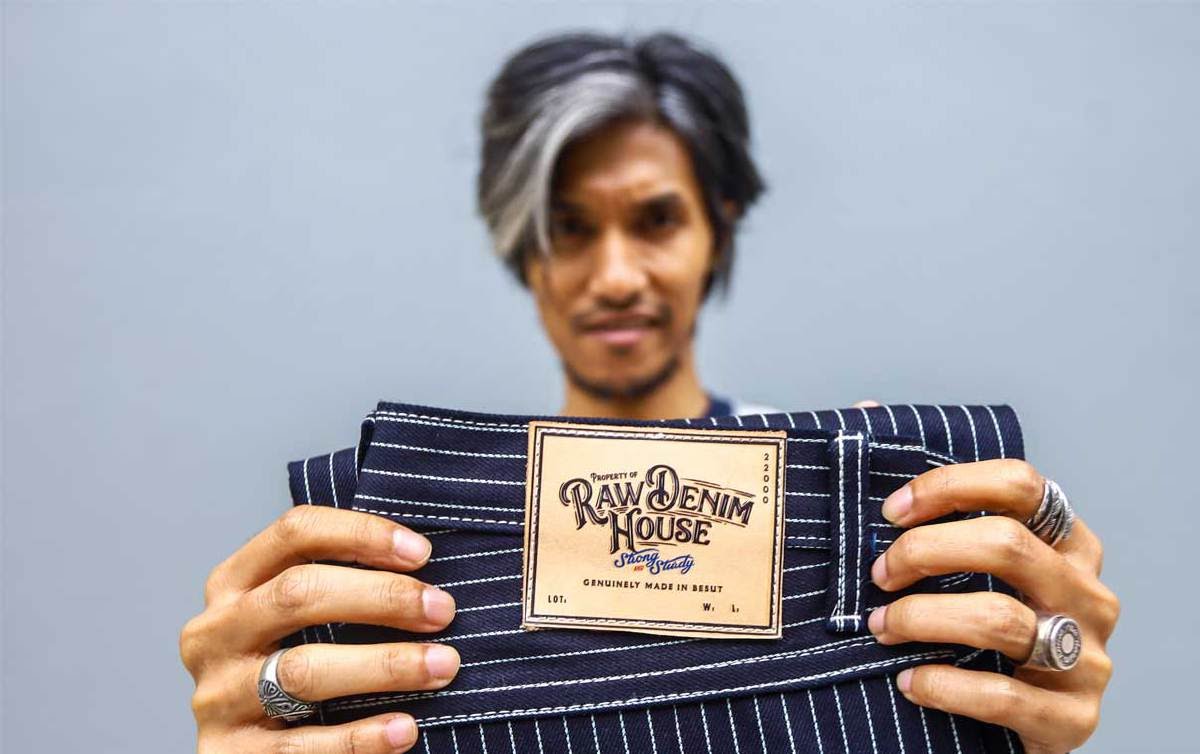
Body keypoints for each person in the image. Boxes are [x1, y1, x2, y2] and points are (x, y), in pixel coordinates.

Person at [179, 31, 1118, 754]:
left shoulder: (899, 505)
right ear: (522, 249)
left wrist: (1034, 689)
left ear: (720, 227)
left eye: (657, 219)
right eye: (570, 228)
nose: (617, 274)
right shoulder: (377, 556)